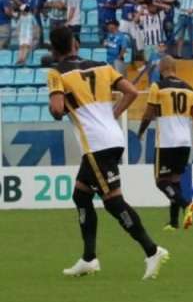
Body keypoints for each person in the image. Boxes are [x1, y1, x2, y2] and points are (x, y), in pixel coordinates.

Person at [47, 26, 169, 280]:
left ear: (54, 49)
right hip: (112, 137)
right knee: (81, 195)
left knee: (113, 202)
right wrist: (112, 114)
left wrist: (60, 105)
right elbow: (132, 92)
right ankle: (89, 259)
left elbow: (57, 110)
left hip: (96, 144)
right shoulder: (102, 66)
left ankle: (152, 250)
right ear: (75, 44)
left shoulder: (57, 73)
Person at [136, 57, 193, 232]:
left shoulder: (157, 86)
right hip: (184, 142)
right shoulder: (189, 89)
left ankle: (187, 205)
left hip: (167, 142)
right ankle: (174, 222)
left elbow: (148, 113)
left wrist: (141, 131)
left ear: (162, 68)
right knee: (175, 181)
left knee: (161, 182)